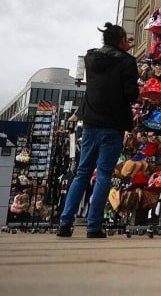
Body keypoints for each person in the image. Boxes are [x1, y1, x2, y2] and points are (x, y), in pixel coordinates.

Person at [57, 23, 139, 238]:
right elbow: (131, 94)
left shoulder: (91, 58)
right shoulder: (127, 62)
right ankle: (94, 226)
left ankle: (65, 223)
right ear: (122, 40)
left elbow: (101, 78)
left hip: (91, 122)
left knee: (82, 172)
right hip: (113, 123)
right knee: (103, 174)